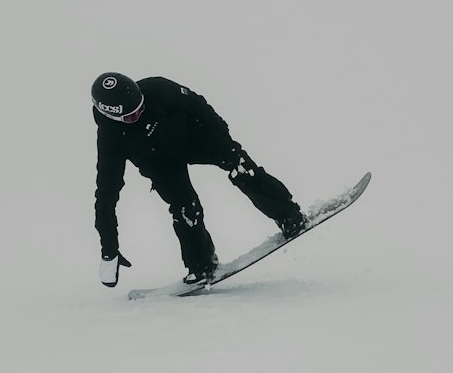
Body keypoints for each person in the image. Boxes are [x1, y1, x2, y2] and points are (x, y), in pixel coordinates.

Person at [92, 72, 306, 287]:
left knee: (240, 166)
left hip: (191, 136)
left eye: (141, 108)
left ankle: (288, 215)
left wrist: (224, 139)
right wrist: (109, 251)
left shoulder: (157, 88)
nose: (138, 115)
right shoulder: (110, 141)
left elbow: (198, 104)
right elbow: (106, 197)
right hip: (159, 164)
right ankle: (201, 265)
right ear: (112, 116)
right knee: (186, 208)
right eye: (130, 117)